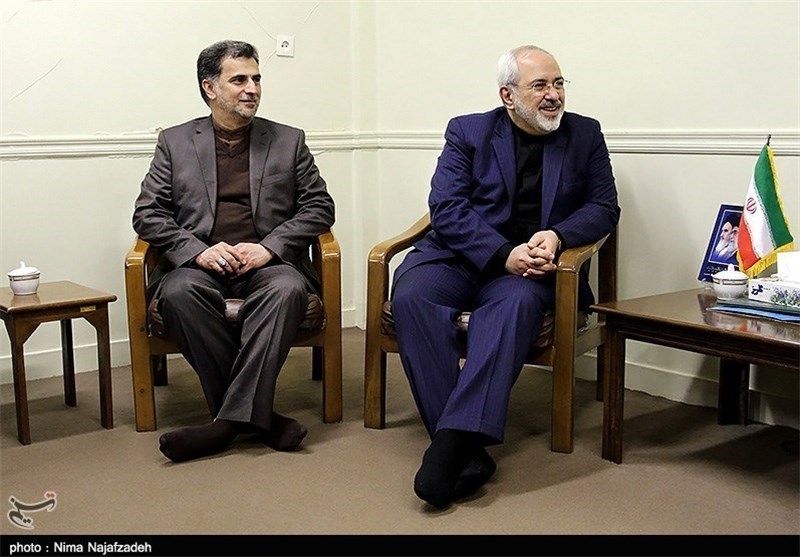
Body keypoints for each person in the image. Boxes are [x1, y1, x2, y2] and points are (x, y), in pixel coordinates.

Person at [390, 45, 621, 509]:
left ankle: (449, 446)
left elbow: (604, 207)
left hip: (531, 270)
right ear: (508, 95)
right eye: (540, 85)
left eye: (558, 83)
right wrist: (501, 253)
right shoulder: (469, 131)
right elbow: (446, 207)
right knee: (413, 295)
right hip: (459, 257)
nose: (553, 95)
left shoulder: (585, 134)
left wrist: (557, 235)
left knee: (512, 307)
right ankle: (467, 448)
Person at [132, 40, 335, 463]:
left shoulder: (288, 140)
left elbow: (320, 207)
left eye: (256, 79)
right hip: (200, 265)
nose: (252, 89)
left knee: (286, 290)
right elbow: (147, 214)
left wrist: (270, 247)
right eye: (239, 80)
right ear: (210, 88)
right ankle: (261, 420)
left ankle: (223, 426)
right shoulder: (175, 142)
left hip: (268, 264)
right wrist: (196, 252)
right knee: (178, 293)